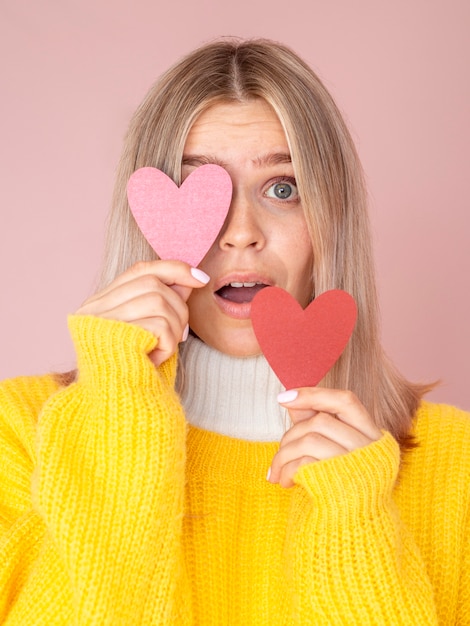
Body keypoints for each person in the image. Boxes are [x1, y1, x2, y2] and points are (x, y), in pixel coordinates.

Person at [0, 38, 468, 625]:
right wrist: (116, 423)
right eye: (204, 193)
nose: (240, 233)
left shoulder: (456, 465)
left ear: (333, 219)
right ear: (148, 219)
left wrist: (355, 523)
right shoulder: (19, 434)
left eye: (283, 188)